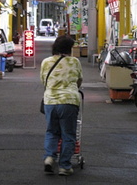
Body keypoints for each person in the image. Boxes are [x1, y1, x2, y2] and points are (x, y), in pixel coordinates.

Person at [40, 35, 83, 176]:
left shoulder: (46, 62)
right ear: (69, 49)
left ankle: (49, 157)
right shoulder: (74, 62)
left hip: (50, 101)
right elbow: (79, 80)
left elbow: (43, 81)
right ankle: (64, 166)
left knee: (52, 131)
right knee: (68, 134)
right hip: (69, 101)